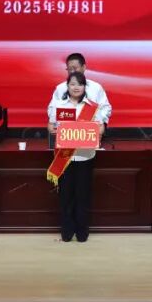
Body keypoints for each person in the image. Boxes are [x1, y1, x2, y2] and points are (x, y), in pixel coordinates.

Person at [47, 71, 111, 242]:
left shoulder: (92, 107)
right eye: (73, 84)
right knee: (66, 196)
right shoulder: (60, 105)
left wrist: (98, 131)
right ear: (67, 86)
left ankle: (82, 233)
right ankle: (67, 232)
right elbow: (51, 125)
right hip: (64, 157)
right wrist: (53, 129)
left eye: (80, 84)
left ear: (84, 87)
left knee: (83, 196)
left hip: (85, 156)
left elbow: (101, 127)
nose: (76, 87)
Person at [47, 52, 109, 123]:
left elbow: (106, 108)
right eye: (69, 69)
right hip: (66, 128)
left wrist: (98, 120)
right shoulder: (60, 88)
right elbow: (51, 110)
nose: (72, 71)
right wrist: (70, 118)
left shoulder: (96, 87)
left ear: (83, 67)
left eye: (75, 68)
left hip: (91, 127)